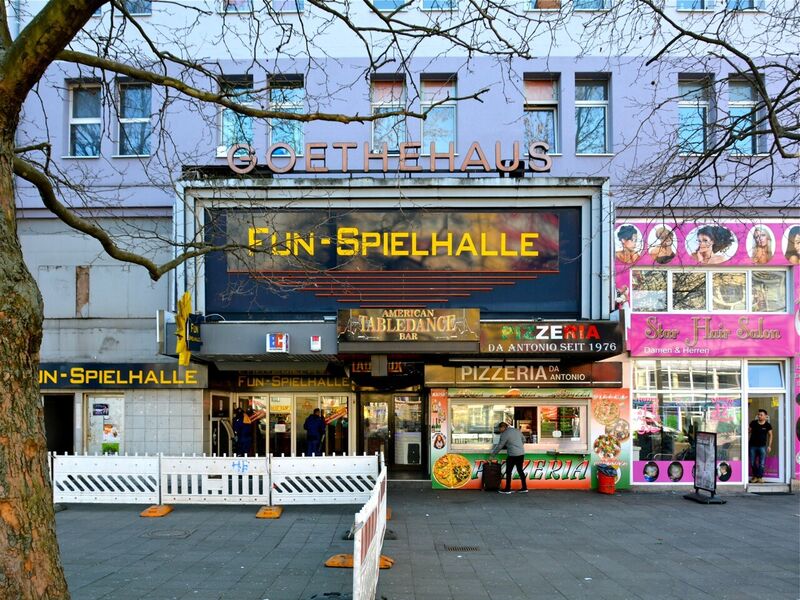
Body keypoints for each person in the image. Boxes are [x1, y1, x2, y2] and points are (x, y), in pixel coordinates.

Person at [489, 421, 527, 494]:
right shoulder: (516, 430)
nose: (499, 430)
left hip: (513, 455)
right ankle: (524, 488)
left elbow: (500, 446)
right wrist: (518, 446)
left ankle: (507, 489)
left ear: (503, 427)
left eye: (499, 428)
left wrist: (492, 455)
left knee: (508, 471)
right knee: (520, 470)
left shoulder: (504, 434)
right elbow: (524, 440)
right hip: (521, 453)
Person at [748, 409, 773, 483]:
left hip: (762, 446)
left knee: (761, 463)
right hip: (752, 446)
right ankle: (755, 476)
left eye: (761, 415)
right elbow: (748, 431)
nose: (759, 416)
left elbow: (771, 435)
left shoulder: (767, 425)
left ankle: (759, 477)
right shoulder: (753, 423)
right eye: (758, 415)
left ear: (765, 416)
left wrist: (769, 446)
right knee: (752, 462)